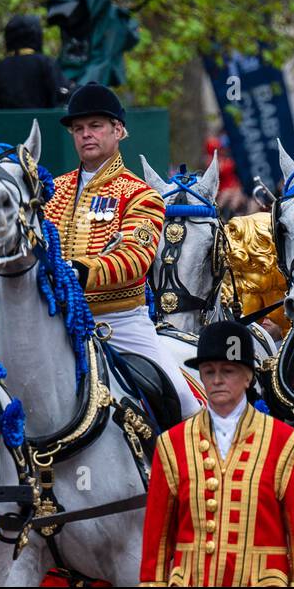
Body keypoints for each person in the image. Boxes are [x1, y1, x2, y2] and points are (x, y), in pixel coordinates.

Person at [44, 82, 199, 415]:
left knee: (185, 404)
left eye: (95, 126)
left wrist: (77, 272)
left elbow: (134, 259)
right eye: (79, 128)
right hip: (56, 323)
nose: (86, 134)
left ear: (118, 130)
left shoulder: (140, 194)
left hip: (119, 324)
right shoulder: (51, 191)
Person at [139, 321, 294, 586]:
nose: (217, 380)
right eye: (209, 371)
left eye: (228, 371)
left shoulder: (288, 445)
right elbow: (157, 541)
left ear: (248, 376)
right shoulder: (172, 444)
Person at [0, 14, 71, 110]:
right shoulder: (45, 63)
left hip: (8, 124)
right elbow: (60, 97)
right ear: (36, 34)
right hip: (41, 123)